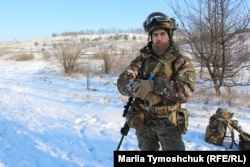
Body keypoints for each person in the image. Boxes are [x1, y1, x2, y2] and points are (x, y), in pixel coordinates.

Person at [117, 12, 196, 151]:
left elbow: (186, 92)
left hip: (168, 123)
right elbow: (122, 83)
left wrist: (154, 85)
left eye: (162, 34)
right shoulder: (141, 60)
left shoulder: (181, 61)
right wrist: (140, 89)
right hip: (144, 121)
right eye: (155, 34)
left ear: (169, 35)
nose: (158, 38)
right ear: (151, 36)